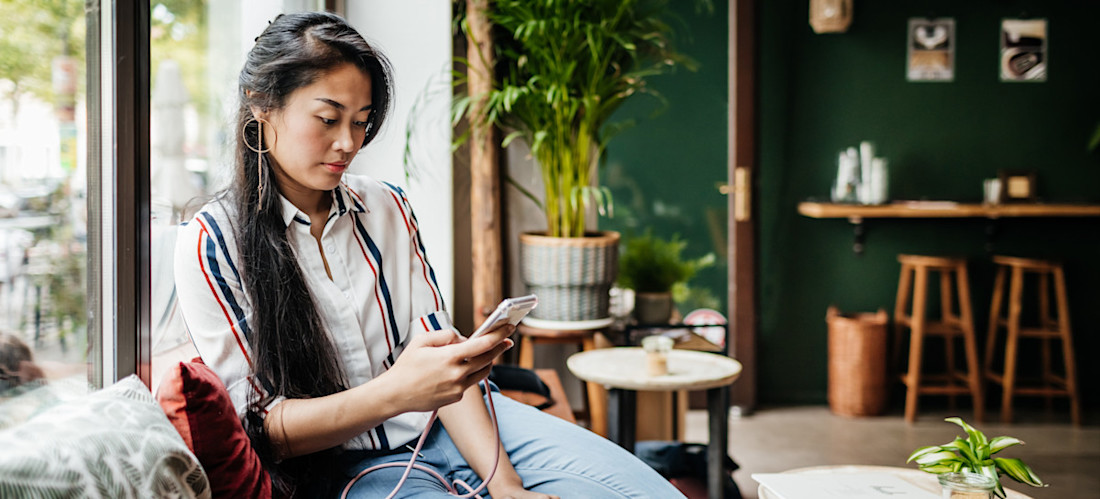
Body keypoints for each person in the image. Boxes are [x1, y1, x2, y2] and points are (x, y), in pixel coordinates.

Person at [174, 11, 686, 499]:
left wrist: (504, 483)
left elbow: (439, 363)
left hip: (456, 425)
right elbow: (260, 429)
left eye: (362, 121)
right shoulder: (214, 241)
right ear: (260, 104)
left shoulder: (388, 206)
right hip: (344, 466)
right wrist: (397, 392)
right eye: (328, 119)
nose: (348, 143)